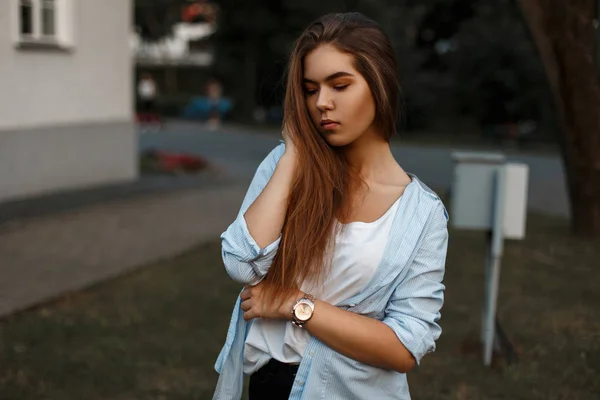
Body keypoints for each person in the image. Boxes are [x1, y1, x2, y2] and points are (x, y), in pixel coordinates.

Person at [213, 12, 449, 400]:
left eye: (340, 85)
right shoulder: (284, 167)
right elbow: (241, 262)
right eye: (310, 89)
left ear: (380, 85)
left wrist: (295, 304)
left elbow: (405, 346)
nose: (322, 103)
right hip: (269, 387)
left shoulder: (422, 215)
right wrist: (294, 154)